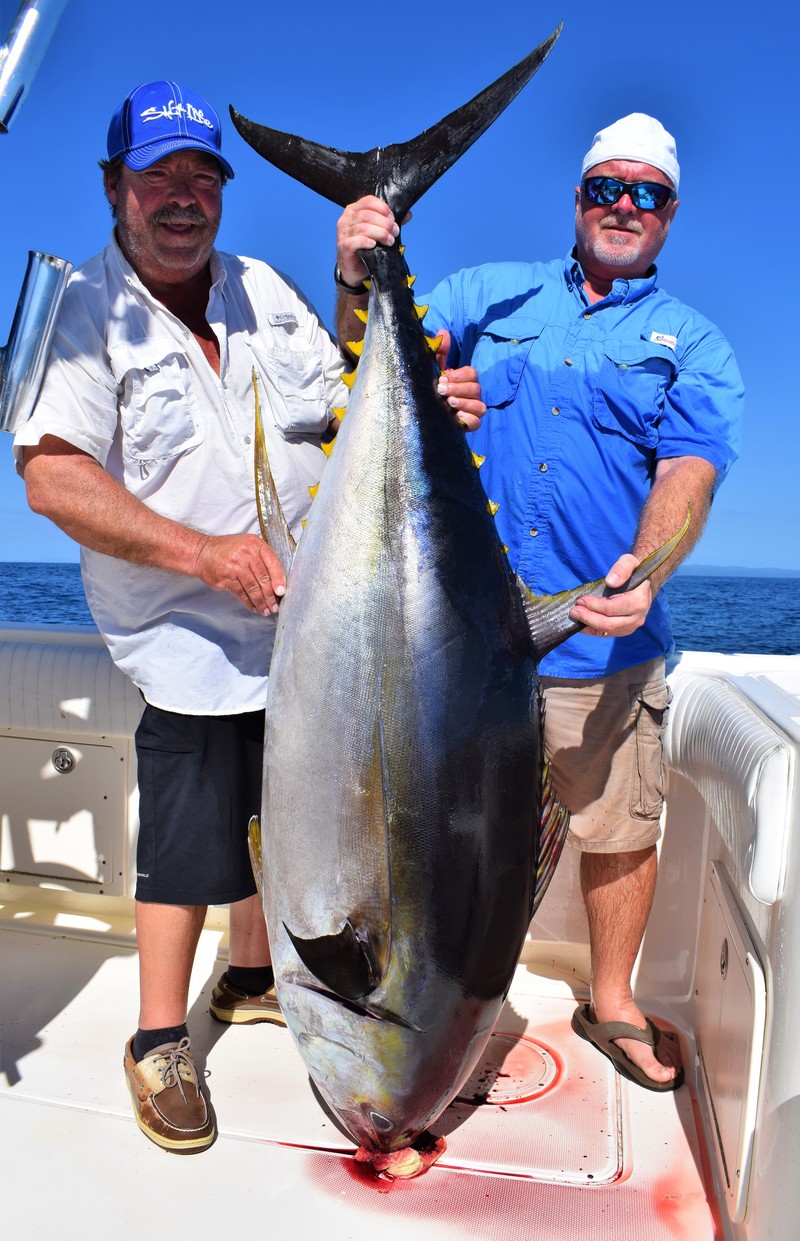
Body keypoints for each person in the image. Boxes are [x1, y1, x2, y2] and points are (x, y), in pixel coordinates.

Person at [13, 78, 486, 1153]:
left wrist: (362, 288)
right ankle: (156, 1040)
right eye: (158, 178)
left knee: (300, 822)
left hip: (311, 628)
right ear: (115, 188)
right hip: (181, 635)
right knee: (189, 840)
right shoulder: (83, 310)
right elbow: (52, 479)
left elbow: (348, 383)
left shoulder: (263, 288)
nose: (183, 198)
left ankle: (249, 973)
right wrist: (204, 555)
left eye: (203, 177)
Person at [335, 113, 743, 1091]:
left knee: (617, 828)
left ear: (669, 214)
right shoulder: (487, 295)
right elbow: (367, 361)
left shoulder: (694, 343)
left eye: (645, 194)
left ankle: (612, 1001)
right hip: (460, 648)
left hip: (596, 639)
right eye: (605, 186)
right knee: (437, 833)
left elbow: (688, 473)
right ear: (577, 199)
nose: (623, 206)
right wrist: (356, 275)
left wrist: (645, 569)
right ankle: (428, 1000)